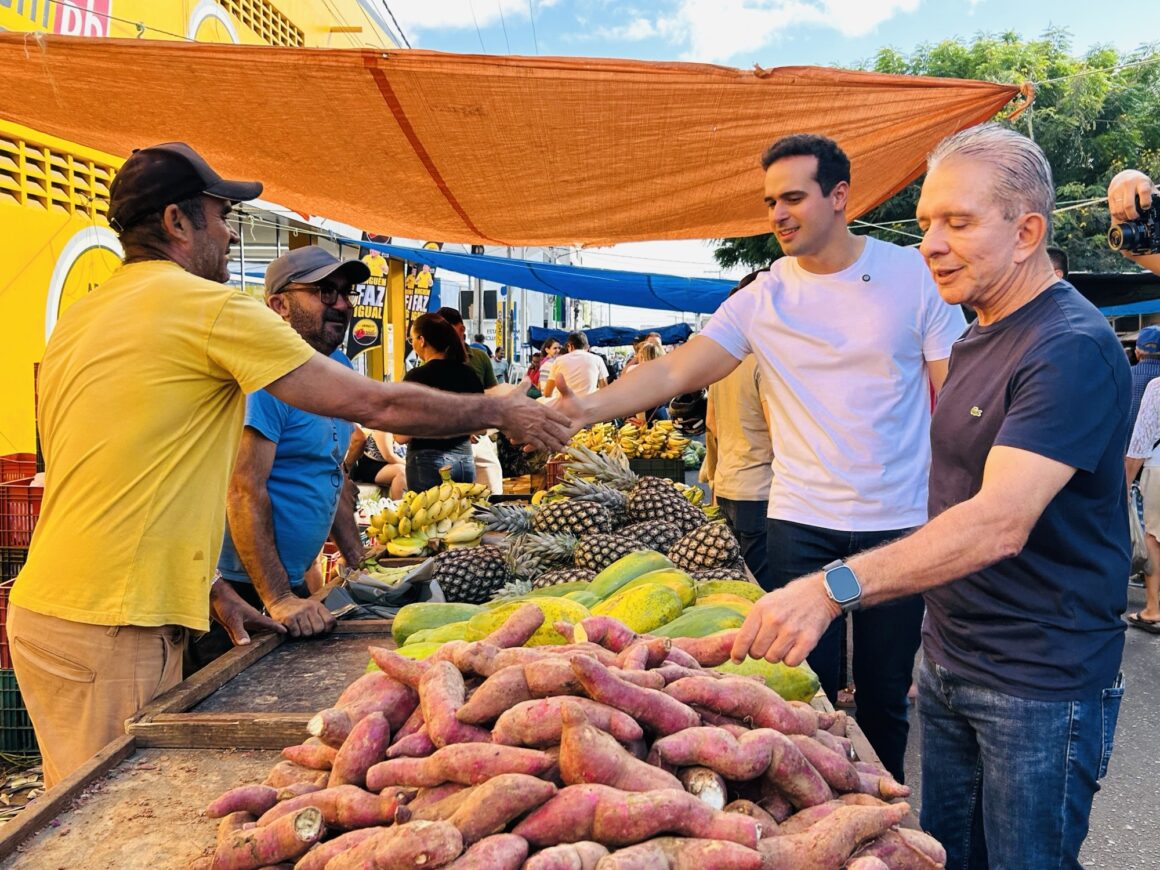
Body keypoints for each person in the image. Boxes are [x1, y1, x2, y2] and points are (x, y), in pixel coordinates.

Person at [6, 142, 570, 788]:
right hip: (112, 624)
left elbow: (118, 474)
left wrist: (211, 589)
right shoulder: (206, 307)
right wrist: (497, 410)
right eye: (222, 216)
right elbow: (375, 404)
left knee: (85, 803)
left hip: (60, 612)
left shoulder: (86, 315)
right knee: (114, 818)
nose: (231, 234)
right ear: (176, 222)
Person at [725, 124, 1129, 868]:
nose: (932, 245)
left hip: (1037, 683)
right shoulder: (976, 333)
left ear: (1027, 232)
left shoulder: (1068, 345)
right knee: (945, 853)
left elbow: (999, 521)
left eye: (959, 223)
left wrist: (830, 587)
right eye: (925, 224)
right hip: (951, 662)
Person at [550, 132, 965, 784]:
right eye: (771, 201)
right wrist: (579, 410)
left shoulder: (912, 277)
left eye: (793, 198)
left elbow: (958, 397)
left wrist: (968, 513)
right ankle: (821, 806)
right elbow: (676, 370)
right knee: (800, 690)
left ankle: (882, 806)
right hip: (799, 522)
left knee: (887, 695)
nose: (777, 214)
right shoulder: (763, 296)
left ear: (839, 195)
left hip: (898, 523)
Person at [215, 247, 369, 641]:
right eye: (325, 292)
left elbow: (331, 472)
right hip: (242, 591)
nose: (342, 304)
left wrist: (359, 563)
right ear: (279, 305)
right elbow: (244, 489)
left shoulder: (339, 369)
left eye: (346, 292)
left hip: (289, 583)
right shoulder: (263, 376)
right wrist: (279, 597)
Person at [705, 271, 774, 582]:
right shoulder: (764, 362)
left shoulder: (724, 362)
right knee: (764, 586)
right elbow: (778, 435)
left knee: (740, 579)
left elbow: (711, 423)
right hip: (761, 490)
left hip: (728, 485)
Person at [396, 313, 484, 490]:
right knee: (463, 508)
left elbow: (401, 437)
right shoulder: (468, 374)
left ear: (422, 340)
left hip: (426, 462)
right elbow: (481, 428)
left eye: (412, 339)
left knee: (428, 509)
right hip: (464, 461)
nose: (412, 344)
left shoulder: (416, 377)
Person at [435, 307, 502, 493]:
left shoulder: (479, 357)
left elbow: (492, 394)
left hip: (478, 435)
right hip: (446, 438)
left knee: (492, 479)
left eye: (447, 329)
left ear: (461, 329)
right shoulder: (434, 361)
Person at [1125, 377, 1160, 633]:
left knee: (1154, 537)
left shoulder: (1157, 387)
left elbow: (1141, 441)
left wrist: (1125, 483)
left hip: (1158, 468)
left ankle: (1153, 609)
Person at [543, 331, 609, 399]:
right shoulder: (598, 359)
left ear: (570, 346)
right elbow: (604, 390)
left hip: (565, 404)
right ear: (587, 347)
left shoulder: (558, 361)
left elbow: (547, 393)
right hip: (589, 404)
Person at [349, 428, 407, 500]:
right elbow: (389, 457)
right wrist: (409, 465)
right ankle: (398, 503)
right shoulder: (383, 429)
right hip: (371, 467)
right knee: (401, 471)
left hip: (387, 466)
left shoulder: (402, 431)